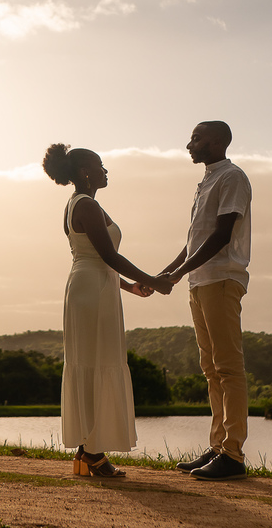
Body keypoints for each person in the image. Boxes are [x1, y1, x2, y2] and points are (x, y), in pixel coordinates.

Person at [42, 143, 174, 478]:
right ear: (85, 172)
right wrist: (153, 280)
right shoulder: (84, 205)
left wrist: (130, 287)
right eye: (100, 165)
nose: (105, 170)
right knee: (94, 361)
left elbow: (100, 262)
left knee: (97, 360)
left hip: (95, 285)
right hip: (91, 290)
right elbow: (108, 257)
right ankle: (93, 454)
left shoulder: (82, 204)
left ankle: (87, 449)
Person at [160, 121, 252, 481]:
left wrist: (178, 272)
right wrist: (166, 273)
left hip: (222, 278)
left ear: (217, 142)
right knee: (211, 369)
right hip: (200, 280)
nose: (189, 144)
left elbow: (222, 234)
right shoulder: (207, 180)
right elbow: (195, 240)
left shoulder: (232, 177)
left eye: (196, 138)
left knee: (228, 367)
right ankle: (218, 447)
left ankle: (233, 454)